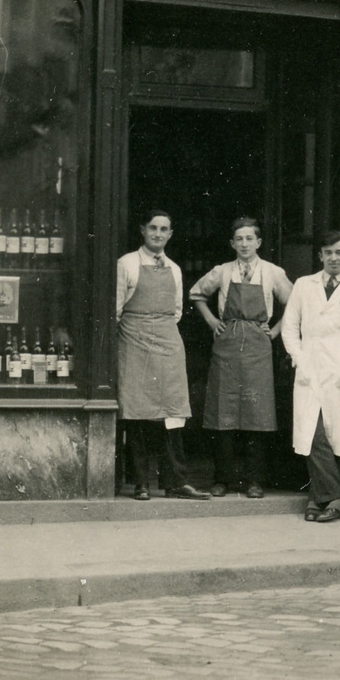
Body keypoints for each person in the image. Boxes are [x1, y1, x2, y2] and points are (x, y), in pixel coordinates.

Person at [190, 216, 294, 498]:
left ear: (258, 242)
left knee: (256, 414)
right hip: (226, 345)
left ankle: (254, 480)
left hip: (258, 349)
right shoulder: (222, 271)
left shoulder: (272, 272)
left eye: (250, 239)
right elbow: (196, 294)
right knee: (222, 414)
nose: (244, 244)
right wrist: (213, 322)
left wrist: (273, 332)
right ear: (232, 243)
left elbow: (296, 304)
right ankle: (222, 478)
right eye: (239, 239)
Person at [116, 209, 211, 501]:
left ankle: (176, 482)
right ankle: (141, 483)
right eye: (153, 228)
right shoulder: (127, 264)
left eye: (164, 229)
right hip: (134, 340)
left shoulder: (175, 268)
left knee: (173, 412)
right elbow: (116, 308)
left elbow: (177, 311)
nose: (158, 234)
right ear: (143, 231)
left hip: (168, 341)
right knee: (137, 413)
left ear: (170, 234)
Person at [280, 230, 340, 522]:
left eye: (339, 252)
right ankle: (334, 498)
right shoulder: (303, 285)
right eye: (328, 253)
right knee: (314, 434)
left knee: (339, 436)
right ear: (320, 255)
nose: (334, 258)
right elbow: (289, 327)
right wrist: (299, 358)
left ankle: (317, 499)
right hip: (310, 370)